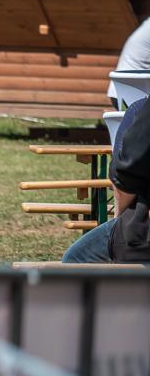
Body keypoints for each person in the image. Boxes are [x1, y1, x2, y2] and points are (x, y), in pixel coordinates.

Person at [62, 101, 145, 263]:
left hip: (142, 234)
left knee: (73, 260)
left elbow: (127, 175)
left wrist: (119, 220)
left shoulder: (141, 110)